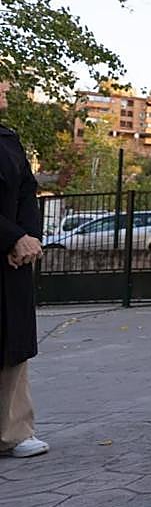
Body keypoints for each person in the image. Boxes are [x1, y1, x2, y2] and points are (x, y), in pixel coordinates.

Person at [0, 81, 48, 460]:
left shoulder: (8, 138)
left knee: (13, 344)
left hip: (11, 260)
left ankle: (14, 431)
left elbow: (26, 191)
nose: (5, 89)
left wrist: (28, 238)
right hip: (7, 244)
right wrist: (12, 236)